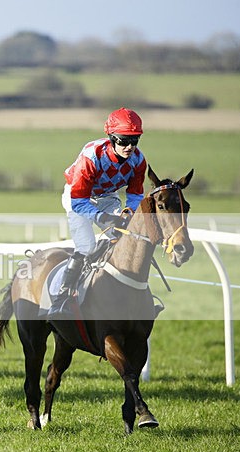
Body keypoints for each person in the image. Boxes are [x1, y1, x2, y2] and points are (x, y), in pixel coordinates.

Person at [48, 107, 147, 317]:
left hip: (108, 197)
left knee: (122, 241)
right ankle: (61, 298)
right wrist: (101, 217)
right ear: (111, 137)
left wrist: (129, 213)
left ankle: (128, 296)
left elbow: (136, 195)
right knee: (87, 246)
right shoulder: (92, 156)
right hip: (79, 198)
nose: (130, 147)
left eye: (135, 140)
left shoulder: (139, 160)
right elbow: (78, 201)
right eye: (123, 140)